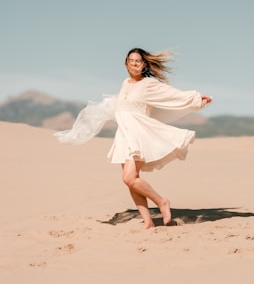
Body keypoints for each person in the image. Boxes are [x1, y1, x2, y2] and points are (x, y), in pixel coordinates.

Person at [54, 48, 212, 228]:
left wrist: (197, 98)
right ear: (126, 63)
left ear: (144, 64)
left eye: (138, 61)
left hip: (139, 133)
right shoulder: (125, 83)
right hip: (124, 134)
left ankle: (162, 202)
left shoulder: (148, 84)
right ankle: (148, 222)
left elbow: (172, 94)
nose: (134, 64)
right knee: (131, 181)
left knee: (129, 178)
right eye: (131, 60)